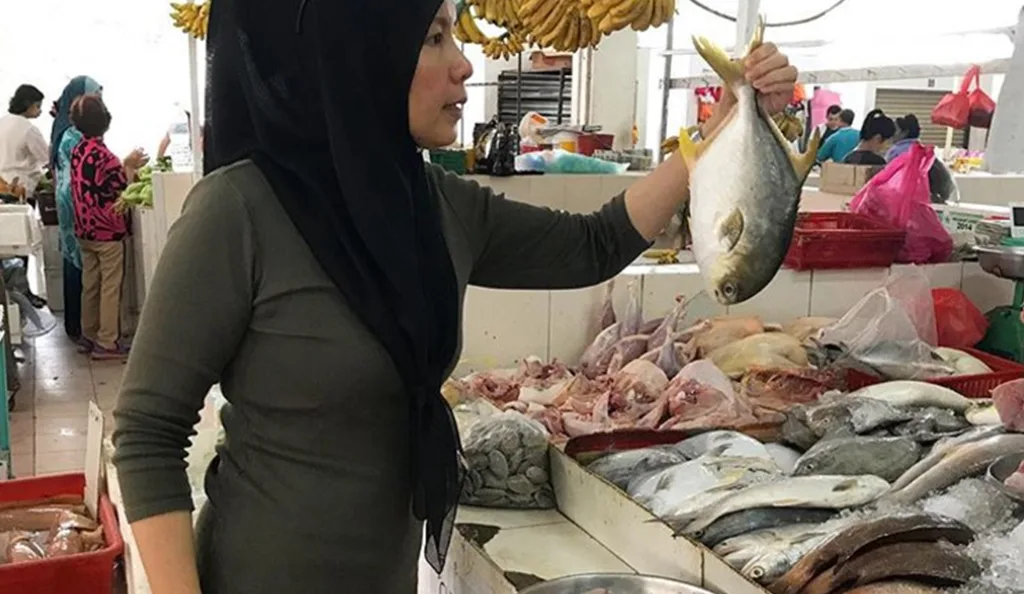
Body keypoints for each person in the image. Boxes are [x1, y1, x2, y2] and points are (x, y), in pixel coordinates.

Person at [110, 1, 799, 592]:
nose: (465, 63)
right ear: (361, 53)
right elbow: (147, 434)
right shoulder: (239, 212)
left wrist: (723, 128)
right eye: (434, 37)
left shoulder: (434, 207)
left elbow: (595, 244)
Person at [69, 95, 148, 360]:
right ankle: (107, 342)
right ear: (105, 121)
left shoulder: (78, 151)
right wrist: (130, 166)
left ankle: (89, 335)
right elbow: (122, 189)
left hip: (84, 228)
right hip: (107, 232)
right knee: (111, 286)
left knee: (90, 284)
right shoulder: (106, 157)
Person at [51, 76, 102, 347]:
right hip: (76, 200)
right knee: (82, 263)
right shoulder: (75, 135)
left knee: (73, 259)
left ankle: (75, 324)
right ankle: (82, 326)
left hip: (67, 199)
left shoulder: (62, 130)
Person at [0, 85, 49, 197]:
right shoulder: (29, 129)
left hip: (2, 183)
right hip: (21, 186)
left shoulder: (2, 121)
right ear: (27, 104)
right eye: (38, 106)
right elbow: (47, 159)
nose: (40, 111)